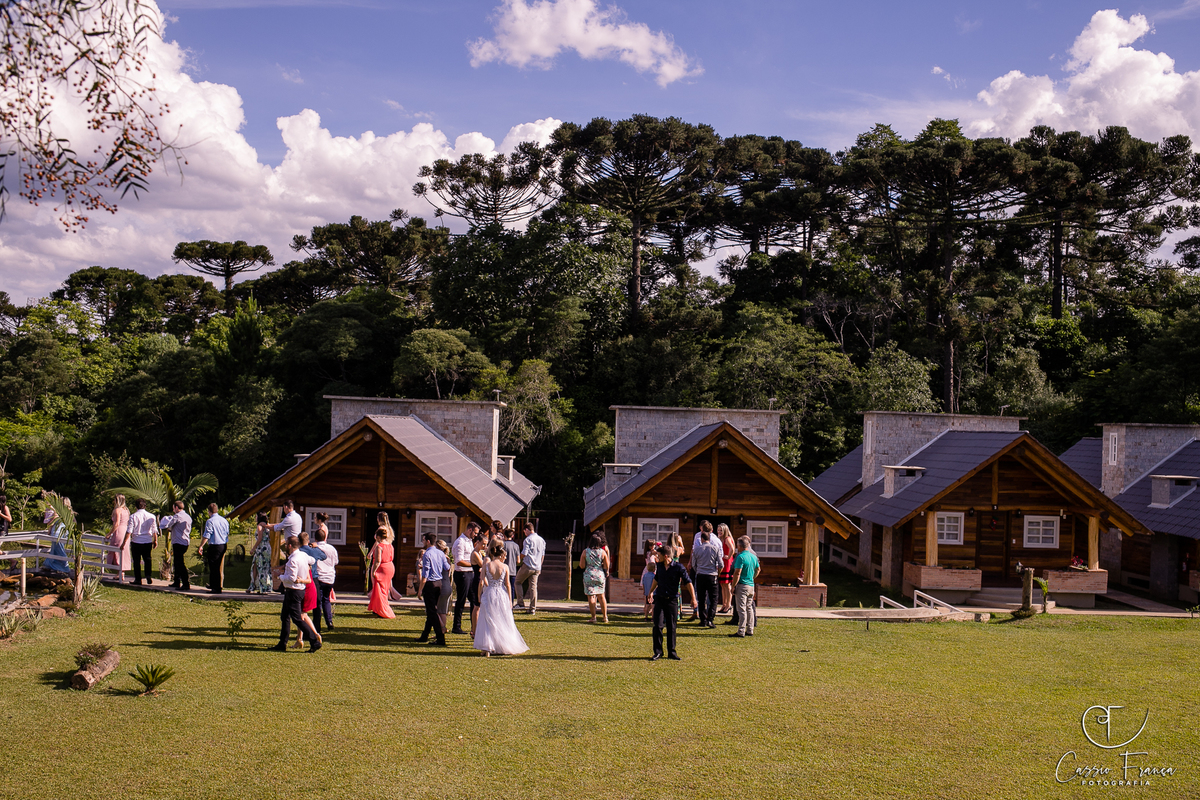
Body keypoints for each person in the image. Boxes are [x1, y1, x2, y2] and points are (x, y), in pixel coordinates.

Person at [473, 541, 529, 657]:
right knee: (501, 618)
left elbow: (481, 581)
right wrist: (510, 599)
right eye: (505, 556)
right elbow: (508, 584)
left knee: (487, 619)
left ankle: (487, 648)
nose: (505, 558)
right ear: (501, 555)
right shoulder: (504, 567)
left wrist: (479, 595)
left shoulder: (487, 565)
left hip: (489, 593)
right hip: (501, 594)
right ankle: (501, 644)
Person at [270, 536, 322, 653]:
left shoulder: (293, 559)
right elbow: (312, 561)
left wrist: (279, 576)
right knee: (285, 617)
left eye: (286, 545)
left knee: (297, 619)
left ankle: (314, 641)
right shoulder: (302, 555)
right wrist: (306, 566)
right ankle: (282, 643)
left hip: (294, 591)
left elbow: (292, 578)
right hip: (297, 590)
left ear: (289, 546)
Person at [646, 545, 694, 661]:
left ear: (666, 556)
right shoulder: (660, 566)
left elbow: (688, 582)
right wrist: (651, 592)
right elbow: (656, 579)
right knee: (657, 626)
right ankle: (658, 652)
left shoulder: (679, 567)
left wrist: (693, 598)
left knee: (671, 627)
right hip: (660, 599)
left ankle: (671, 652)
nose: (657, 557)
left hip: (672, 600)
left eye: (659, 555)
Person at [416, 532, 450, 645]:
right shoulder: (440, 553)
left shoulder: (427, 554)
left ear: (428, 541)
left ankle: (440, 639)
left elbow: (425, 575)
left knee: (432, 612)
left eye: (423, 540)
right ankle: (424, 636)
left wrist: (420, 589)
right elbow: (447, 567)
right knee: (432, 610)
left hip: (430, 584)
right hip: (439, 583)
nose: (422, 542)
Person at [729, 536, 761, 638]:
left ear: (739, 546)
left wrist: (733, 586)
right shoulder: (753, 556)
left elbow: (737, 573)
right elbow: (758, 569)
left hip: (742, 585)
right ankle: (750, 629)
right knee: (749, 608)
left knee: (741, 609)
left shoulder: (740, 557)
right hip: (751, 585)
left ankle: (741, 631)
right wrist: (752, 577)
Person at [691, 527, 723, 629]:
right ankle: (710, 619)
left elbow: (693, 564)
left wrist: (698, 571)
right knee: (713, 599)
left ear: (701, 539)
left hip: (700, 575)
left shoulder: (697, 549)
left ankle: (703, 619)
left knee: (701, 598)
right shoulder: (715, 549)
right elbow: (721, 564)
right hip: (712, 575)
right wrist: (717, 573)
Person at [311, 516, 339, 633]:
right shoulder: (331, 548)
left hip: (320, 577)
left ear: (315, 538)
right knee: (326, 599)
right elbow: (336, 561)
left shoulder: (314, 548)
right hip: (330, 577)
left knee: (318, 601)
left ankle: (317, 624)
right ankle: (329, 621)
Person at [450, 521, 478, 634]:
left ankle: (474, 625)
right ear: (470, 530)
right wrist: (474, 564)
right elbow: (459, 561)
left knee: (474, 600)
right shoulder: (460, 542)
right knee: (461, 600)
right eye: (475, 532)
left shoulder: (470, 541)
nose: (476, 535)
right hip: (462, 573)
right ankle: (456, 626)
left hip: (470, 573)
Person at [159, 501, 193, 591]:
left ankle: (185, 583)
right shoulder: (188, 517)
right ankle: (176, 581)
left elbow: (168, 525)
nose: (173, 510)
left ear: (177, 508)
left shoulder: (177, 516)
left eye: (174, 508)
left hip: (178, 542)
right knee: (177, 562)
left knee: (180, 563)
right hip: (185, 541)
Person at [197, 503, 230, 594]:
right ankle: (213, 584)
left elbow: (207, 534)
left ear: (209, 511)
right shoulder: (224, 520)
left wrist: (201, 545)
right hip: (223, 544)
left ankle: (217, 587)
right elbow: (227, 532)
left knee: (214, 566)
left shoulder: (210, 521)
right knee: (216, 565)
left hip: (215, 544)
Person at [580, 533, 610, 623]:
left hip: (589, 574)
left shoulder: (585, 551)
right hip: (599, 575)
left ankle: (593, 617)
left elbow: (581, 565)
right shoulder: (602, 552)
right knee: (601, 596)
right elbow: (606, 565)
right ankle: (605, 617)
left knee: (591, 597)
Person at [515, 522, 544, 614]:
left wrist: (518, 558)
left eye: (524, 532)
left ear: (527, 530)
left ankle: (520, 602)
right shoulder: (541, 540)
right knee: (533, 587)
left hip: (528, 565)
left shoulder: (528, 540)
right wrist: (540, 566)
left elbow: (524, 553)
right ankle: (532, 608)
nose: (525, 533)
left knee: (517, 582)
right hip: (537, 566)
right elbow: (542, 555)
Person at [127, 498, 157, 585]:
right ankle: (148, 575)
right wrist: (155, 540)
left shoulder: (133, 516)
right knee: (147, 559)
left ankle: (138, 579)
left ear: (136, 506)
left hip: (136, 541)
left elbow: (129, 530)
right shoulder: (151, 516)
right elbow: (154, 530)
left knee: (136, 561)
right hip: (147, 540)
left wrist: (125, 541)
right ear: (145, 506)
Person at [366, 529, 395, 619]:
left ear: (378, 536)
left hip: (382, 568)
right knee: (385, 589)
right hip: (390, 566)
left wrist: (374, 571)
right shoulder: (390, 545)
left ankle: (382, 610)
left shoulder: (379, 546)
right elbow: (391, 557)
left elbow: (378, 561)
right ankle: (377, 609)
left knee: (379, 589)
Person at [376, 512, 405, 602]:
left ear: (379, 519)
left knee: (380, 575)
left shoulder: (381, 529)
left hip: (382, 550)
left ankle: (384, 594)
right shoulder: (389, 529)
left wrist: (371, 552)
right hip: (388, 550)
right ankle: (390, 594)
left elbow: (377, 542)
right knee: (388, 576)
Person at [248, 512, 274, 593]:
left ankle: (262, 587)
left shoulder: (259, 526)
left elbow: (259, 539)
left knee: (259, 566)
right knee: (265, 566)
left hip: (261, 548)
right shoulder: (267, 525)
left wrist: (253, 548)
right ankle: (266, 586)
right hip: (267, 547)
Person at [107, 494, 131, 582]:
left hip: (119, 532)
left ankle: (119, 572)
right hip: (125, 531)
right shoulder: (126, 510)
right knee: (123, 551)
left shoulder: (118, 510)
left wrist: (109, 533)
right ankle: (121, 572)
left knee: (115, 550)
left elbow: (116, 524)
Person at [434, 538, 453, 633]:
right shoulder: (448, 559)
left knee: (434, 609)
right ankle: (442, 629)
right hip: (447, 586)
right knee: (442, 611)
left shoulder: (439, 558)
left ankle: (442, 627)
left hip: (440, 585)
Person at [469, 533, 486, 637]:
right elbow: (484, 565)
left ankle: (476, 629)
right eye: (483, 544)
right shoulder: (475, 553)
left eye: (486, 544)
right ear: (477, 542)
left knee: (479, 606)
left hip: (481, 580)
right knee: (477, 606)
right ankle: (474, 631)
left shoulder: (481, 553)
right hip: (476, 581)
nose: (484, 546)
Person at [717, 523, 735, 615]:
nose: (719, 532)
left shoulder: (727, 539)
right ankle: (724, 604)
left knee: (727, 585)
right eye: (718, 530)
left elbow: (732, 548)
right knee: (722, 585)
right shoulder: (720, 539)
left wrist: (728, 557)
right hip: (722, 563)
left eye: (721, 530)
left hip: (727, 563)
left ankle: (728, 604)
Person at [502, 528, 522, 606]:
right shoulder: (516, 546)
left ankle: (504, 603)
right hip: (513, 570)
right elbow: (518, 560)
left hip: (504, 570)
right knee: (511, 588)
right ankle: (511, 603)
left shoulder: (503, 545)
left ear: (504, 535)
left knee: (503, 587)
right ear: (512, 536)